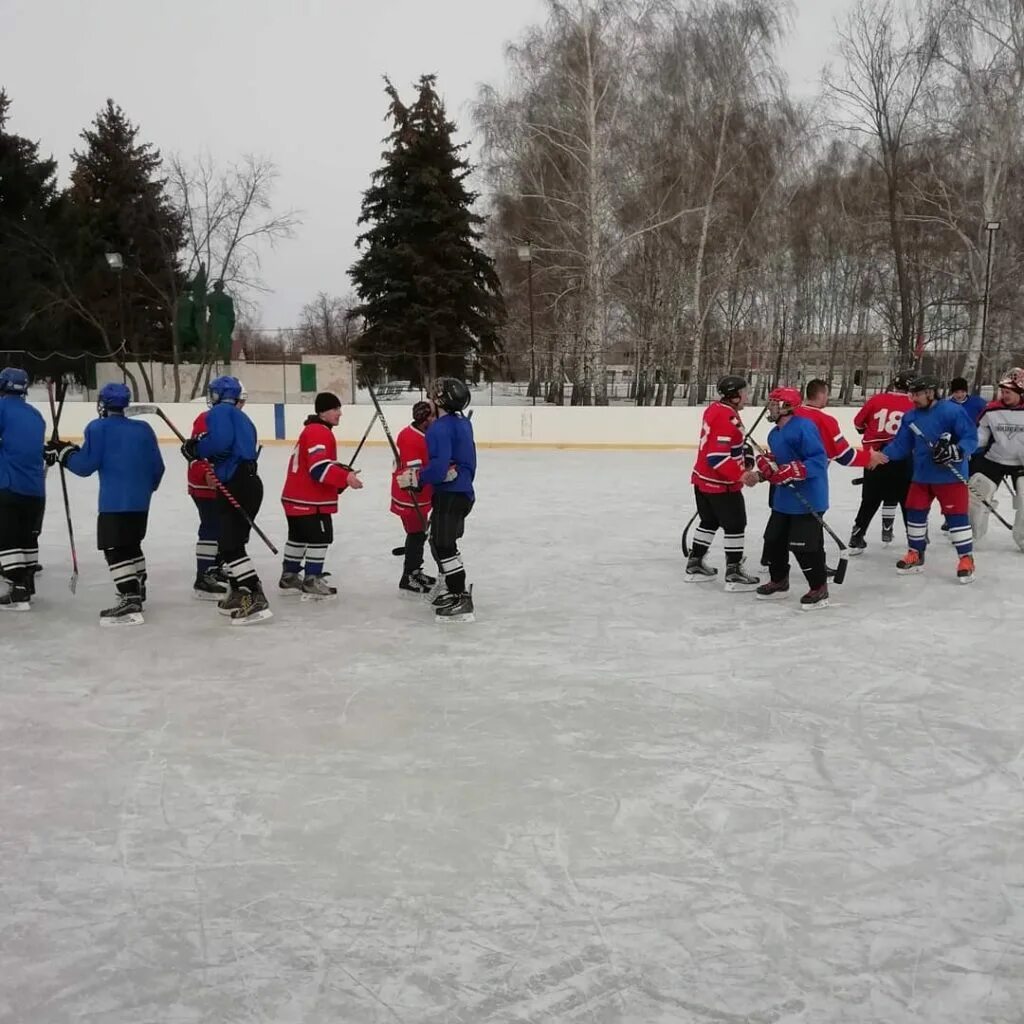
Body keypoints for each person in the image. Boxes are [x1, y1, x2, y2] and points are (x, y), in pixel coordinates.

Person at [46, 382, 164, 625]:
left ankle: (129, 599)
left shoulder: (98, 428)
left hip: (114, 501)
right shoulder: (143, 429)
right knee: (131, 544)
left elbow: (85, 466)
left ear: (103, 404)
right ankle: (138, 588)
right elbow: (158, 467)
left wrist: (64, 454)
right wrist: (145, 490)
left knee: (114, 548)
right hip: (140, 502)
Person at [867, 374, 979, 582]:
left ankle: (966, 558)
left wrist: (957, 451)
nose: (913, 399)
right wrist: (882, 457)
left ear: (930, 392)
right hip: (922, 475)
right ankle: (916, 554)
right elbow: (901, 445)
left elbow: (971, 437)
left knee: (956, 519)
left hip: (949, 477)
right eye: (911, 394)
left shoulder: (952, 411)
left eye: (917, 394)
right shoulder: (910, 417)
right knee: (915, 514)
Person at [182, 375, 271, 624]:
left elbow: (220, 442)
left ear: (220, 395)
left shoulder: (220, 412)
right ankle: (239, 591)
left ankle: (254, 594)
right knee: (232, 542)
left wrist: (196, 449)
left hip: (236, 482)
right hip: (250, 482)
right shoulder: (244, 418)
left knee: (229, 545)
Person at [741, 386, 831, 609]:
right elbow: (779, 462)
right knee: (773, 540)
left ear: (787, 407)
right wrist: (764, 470)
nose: (769, 408)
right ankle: (779, 580)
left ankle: (819, 586)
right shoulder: (774, 433)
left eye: (774, 403)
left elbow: (819, 460)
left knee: (804, 546)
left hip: (808, 496)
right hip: (784, 499)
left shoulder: (804, 427)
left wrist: (794, 470)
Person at [397, 377, 476, 621]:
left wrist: (416, 477)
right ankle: (456, 591)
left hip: (450, 494)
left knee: (443, 545)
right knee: (444, 542)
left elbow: (440, 468)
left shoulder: (439, 428)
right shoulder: (461, 423)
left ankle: (459, 595)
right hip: (463, 492)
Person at [279, 392, 363, 599]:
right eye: (335, 409)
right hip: (309, 501)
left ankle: (289, 576)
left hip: (295, 498)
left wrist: (339, 473)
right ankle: (312, 580)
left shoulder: (312, 429)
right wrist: (346, 478)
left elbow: (317, 466)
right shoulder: (319, 432)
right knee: (319, 538)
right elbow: (318, 468)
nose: (340, 413)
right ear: (323, 412)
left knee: (297, 538)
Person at [684, 374, 759, 591]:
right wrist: (742, 475)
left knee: (709, 521)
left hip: (702, 480)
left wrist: (746, 454)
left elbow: (733, 444)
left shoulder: (717, 410)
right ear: (734, 396)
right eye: (744, 392)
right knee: (735, 525)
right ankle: (734, 573)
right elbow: (717, 457)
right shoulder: (726, 418)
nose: (747, 396)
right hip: (720, 485)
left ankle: (695, 563)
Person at [187, 380, 247, 600]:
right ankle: (203, 577)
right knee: (211, 527)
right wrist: (205, 473)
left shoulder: (232, 418)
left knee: (222, 528)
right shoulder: (206, 418)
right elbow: (198, 452)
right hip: (205, 484)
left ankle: (213, 568)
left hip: (223, 482)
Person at [849, 370, 916, 552]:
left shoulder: (877, 399)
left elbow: (858, 424)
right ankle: (915, 541)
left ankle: (857, 536)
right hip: (902, 457)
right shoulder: (914, 404)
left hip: (874, 455)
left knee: (869, 500)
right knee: (906, 500)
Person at [0, 368, 46, 611]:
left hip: (8, 485)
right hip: (36, 489)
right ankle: (27, 581)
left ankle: (17, 587)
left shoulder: (1, 408)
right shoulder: (36, 415)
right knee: (27, 537)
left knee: (7, 537)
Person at [968, 367, 1024, 548]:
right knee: (976, 494)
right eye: (1003, 391)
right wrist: (963, 449)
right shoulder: (991, 410)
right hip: (994, 459)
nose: (1004, 395)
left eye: (1009, 392)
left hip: (1021, 462)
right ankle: (971, 535)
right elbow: (979, 437)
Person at [391, 400, 439, 595]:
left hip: (421, 496)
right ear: (424, 419)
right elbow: (414, 474)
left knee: (419, 533)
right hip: (409, 497)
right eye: (433, 416)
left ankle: (415, 571)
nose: (436, 419)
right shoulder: (411, 438)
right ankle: (408, 576)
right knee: (416, 534)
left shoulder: (423, 434)